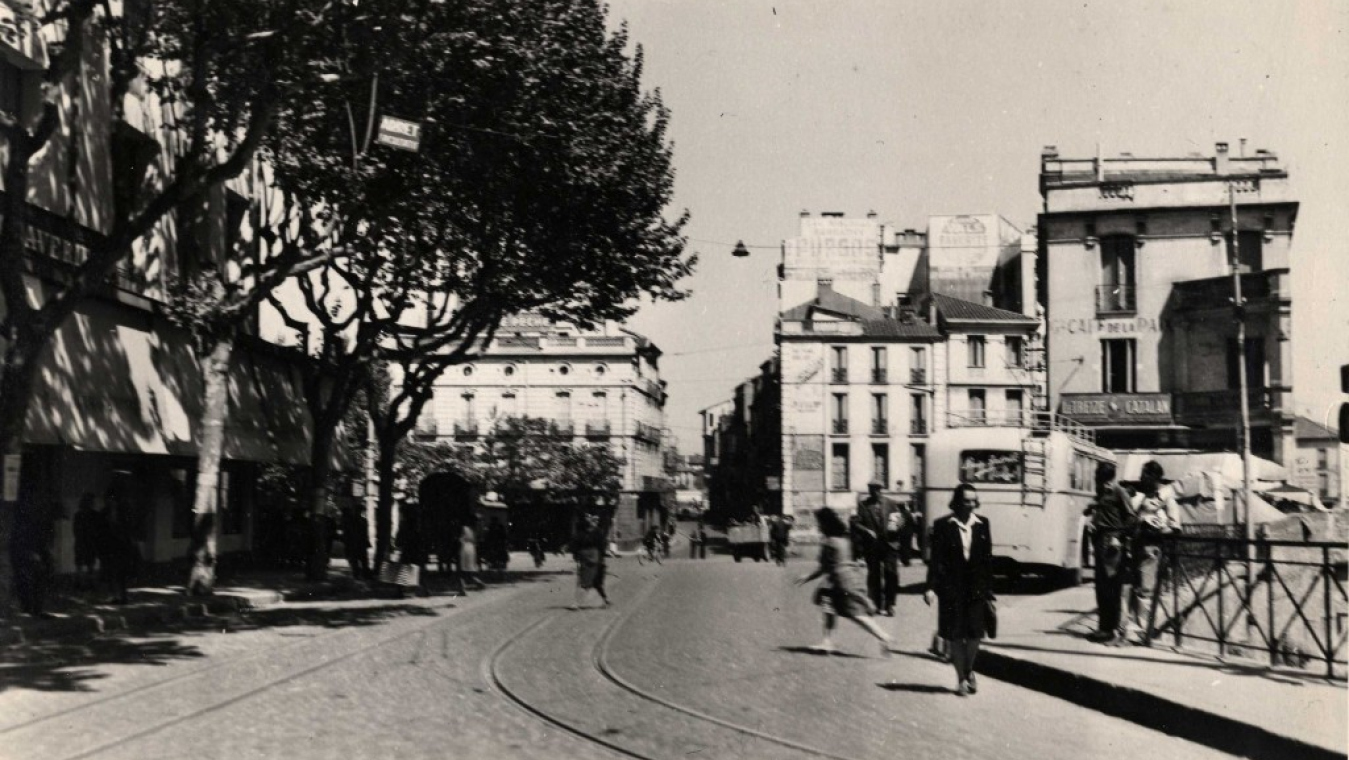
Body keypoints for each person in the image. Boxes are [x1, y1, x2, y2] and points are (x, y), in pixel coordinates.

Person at [795, 507, 898, 656]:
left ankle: (883, 636)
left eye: (819, 523)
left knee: (853, 613)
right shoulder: (845, 540)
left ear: (825, 524)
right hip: (850, 578)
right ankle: (827, 641)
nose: (818, 526)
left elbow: (824, 567)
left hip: (839, 580)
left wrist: (807, 577)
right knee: (830, 607)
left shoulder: (828, 542)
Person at [923, 483, 994, 696]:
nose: (970, 504)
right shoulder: (943, 525)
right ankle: (961, 679)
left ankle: (969, 668)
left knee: (974, 636)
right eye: (966, 500)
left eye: (973, 500)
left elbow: (987, 560)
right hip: (951, 590)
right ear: (956, 502)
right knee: (955, 636)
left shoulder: (983, 524)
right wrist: (930, 588)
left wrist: (989, 589)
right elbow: (936, 560)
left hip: (976, 590)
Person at [1124, 460, 1182, 643]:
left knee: (1146, 590)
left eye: (1144, 476)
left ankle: (1145, 632)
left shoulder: (1166, 497)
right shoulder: (1144, 497)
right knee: (1137, 588)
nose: (1141, 479)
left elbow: (1175, 527)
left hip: (1152, 548)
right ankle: (1136, 628)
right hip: (1137, 547)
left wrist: (1157, 530)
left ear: (1154, 477)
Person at [1086, 461, 1135, 645]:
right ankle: (1103, 628)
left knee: (1112, 586)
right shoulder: (1101, 492)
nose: (1097, 480)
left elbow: (1131, 517)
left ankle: (1113, 630)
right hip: (1100, 540)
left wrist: (1119, 536)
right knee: (1101, 586)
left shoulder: (1119, 492)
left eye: (1099, 477)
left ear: (1107, 477)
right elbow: (1101, 512)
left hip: (1112, 543)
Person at [855, 479, 901, 616]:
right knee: (874, 575)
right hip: (872, 546)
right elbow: (856, 523)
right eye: (871, 490)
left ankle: (890, 605)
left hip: (890, 545)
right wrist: (866, 531)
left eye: (877, 490)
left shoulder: (891, 503)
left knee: (891, 574)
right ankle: (875, 604)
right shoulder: (863, 505)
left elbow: (900, 520)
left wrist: (896, 525)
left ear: (881, 490)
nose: (874, 492)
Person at [570, 513, 611, 609]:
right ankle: (606, 600)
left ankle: (577, 603)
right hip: (584, 558)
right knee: (592, 582)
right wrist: (576, 556)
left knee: (585, 581)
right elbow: (576, 544)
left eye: (596, 520)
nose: (594, 522)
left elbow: (602, 547)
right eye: (592, 519)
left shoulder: (598, 533)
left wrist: (601, 560)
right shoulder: (581, 532)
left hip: (594, 559)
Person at [73, 492, 104, 590]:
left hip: (82, 542)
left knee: (81, 564)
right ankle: (89, 583)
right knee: (89, 564)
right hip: (90, 542)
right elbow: (98, 530)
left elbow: (75, 530)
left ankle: (80, 583)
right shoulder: (94, 515)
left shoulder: (78, 515)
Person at [455, 518, 487, 593]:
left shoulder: (462, 528)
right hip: (471, 549)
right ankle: (478, 583)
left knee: (461, 569)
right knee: (469, 569)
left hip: (463, 548)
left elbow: (459, 539)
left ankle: (462, 589)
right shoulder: (473, 530)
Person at [341, 506, 371, 580]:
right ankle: (360, 574)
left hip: (358, 543)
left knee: (361, 560)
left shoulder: (362, 520)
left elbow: (365, 533)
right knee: (359, 560)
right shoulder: (356, 521)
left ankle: (361, 574)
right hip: (356, 543)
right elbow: (348, 532)